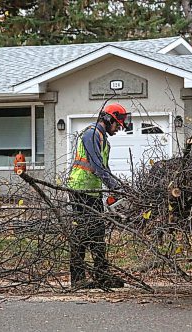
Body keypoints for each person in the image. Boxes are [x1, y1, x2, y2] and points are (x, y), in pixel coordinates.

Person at [67, 102, 131, 288]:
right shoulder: (91, 134)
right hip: (80, 189)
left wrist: (118, 187)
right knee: (82, 233)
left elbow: (105, 168)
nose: (118, 129)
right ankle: (77, 279)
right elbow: (96, 165)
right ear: (110, 119)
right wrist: (115, 188)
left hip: (93, 191)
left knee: (98, 233)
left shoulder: (104, 141)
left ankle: (101, 275)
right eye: (117, 125)